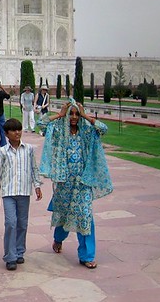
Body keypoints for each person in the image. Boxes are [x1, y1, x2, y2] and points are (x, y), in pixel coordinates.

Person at [39, 99, 112, 269]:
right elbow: (41, 124)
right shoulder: (59, 131)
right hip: (64, 183)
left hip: (83, 183)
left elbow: (104, 128)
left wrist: (86, 115)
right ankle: (58, 239)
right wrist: (59, 114)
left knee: (85, 216)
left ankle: (87, 255)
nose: (73, 117)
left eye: (76, 114)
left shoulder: (86, 133)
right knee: (63, 216)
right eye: (71, 114)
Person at [0, 118, 42, 270]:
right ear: (7, 134)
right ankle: (10, 256)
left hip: (24, 192)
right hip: (8, 193)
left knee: (22, 224)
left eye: (19, 129)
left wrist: (37, 185)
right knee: (10, 223)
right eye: (13, 130)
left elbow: (34, 168)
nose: (17, 133)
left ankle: (19, 252)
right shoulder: (2, 152)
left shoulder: (28, 149)